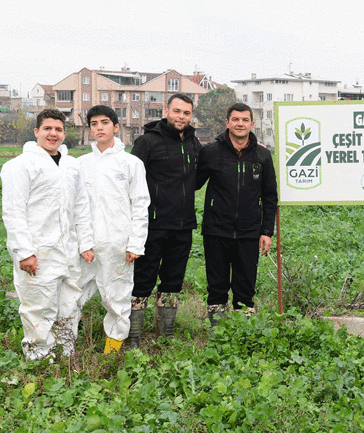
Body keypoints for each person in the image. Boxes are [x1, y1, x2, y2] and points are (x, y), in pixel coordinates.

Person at [1, 108, 95, 360]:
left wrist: (85, 243)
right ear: (36, 132)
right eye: (47, 129)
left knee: (69, 304)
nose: (53, 134)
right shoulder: (19, 166)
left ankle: (65, 353)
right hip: (38, 253)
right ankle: (39, 358)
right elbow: (13, 212)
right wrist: (25, 252)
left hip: (68, 251)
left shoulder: (72, 166)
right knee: (38, 307)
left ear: (65, 133)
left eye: (58, 129)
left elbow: (81, 208)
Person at [77, 105, 150, 353]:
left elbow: (140, 205)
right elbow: (75, 208)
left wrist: (135, 244)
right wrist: (81, 242)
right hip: (85, 243)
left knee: (116, 296)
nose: (100, 127)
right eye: (94, 123)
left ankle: (113, 346)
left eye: (105, 122)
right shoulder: (80, 164)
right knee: (72, 293)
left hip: (118, 243)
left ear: (116, 127)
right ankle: (65, 342)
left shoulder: (131, 163)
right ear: (89, 129)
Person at [130, 93, 201, 346]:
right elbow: (132, 182)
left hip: (182, 225)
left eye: (186, 113)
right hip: (152, 224)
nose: (181, 117)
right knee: (143, 279)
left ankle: (165, 336)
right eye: (177, 111)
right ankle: (134, 336)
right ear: (166, 111)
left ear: (191, 115)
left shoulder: (194, 144)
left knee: (172, 280)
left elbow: (200, 177)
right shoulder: (147, 142)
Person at [196, 103, 277, 325]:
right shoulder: (211, 152)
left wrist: (267, 231)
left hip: (249, 232)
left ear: (252, 123)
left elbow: (270, 197)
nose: (240, 124)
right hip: (216, 230)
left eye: (244, 120)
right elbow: (193, 182)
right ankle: (218, 333)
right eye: (235, 119)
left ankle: (243, 332)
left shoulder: (262, 155)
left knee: (245, 285)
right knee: (217, 285)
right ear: (227, 123)